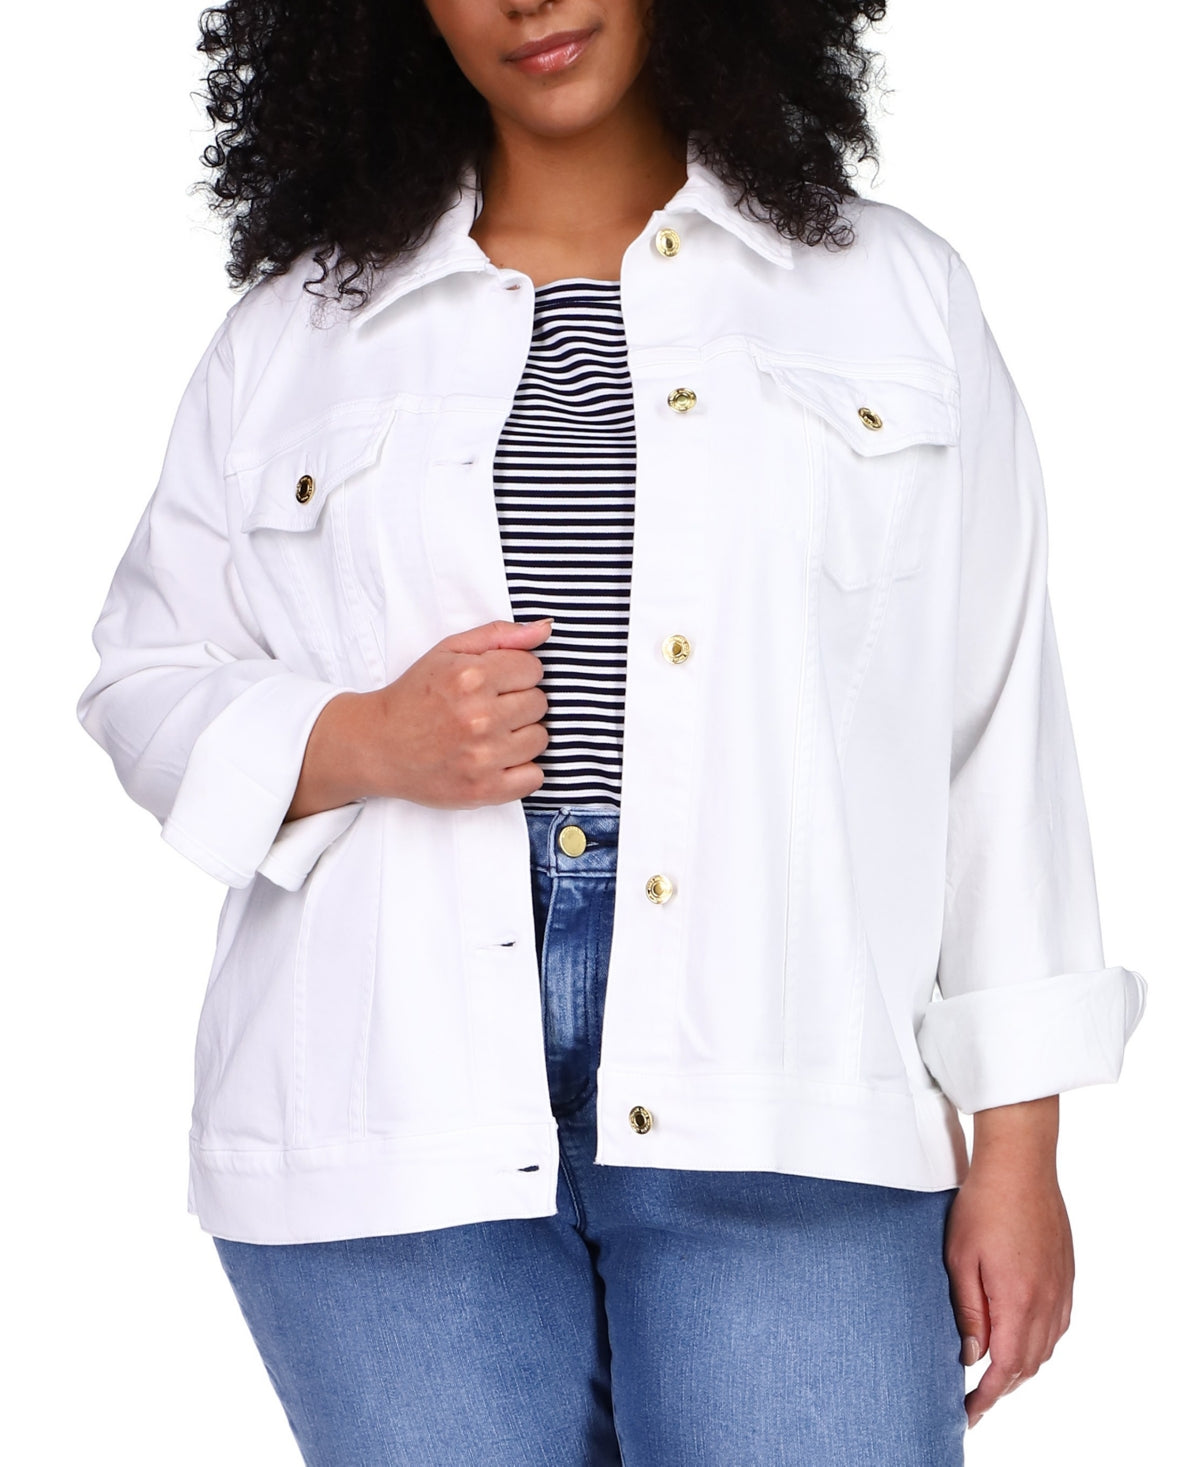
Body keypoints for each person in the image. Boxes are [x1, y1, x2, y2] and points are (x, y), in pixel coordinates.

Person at [75, 0, 1148, 1462]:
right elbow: (145, 673)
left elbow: (998, 725)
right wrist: (363, 738)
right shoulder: (294, 335)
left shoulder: (892, 294)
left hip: (787, 1079)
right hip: (392, 1115)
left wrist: (1019, 1146)